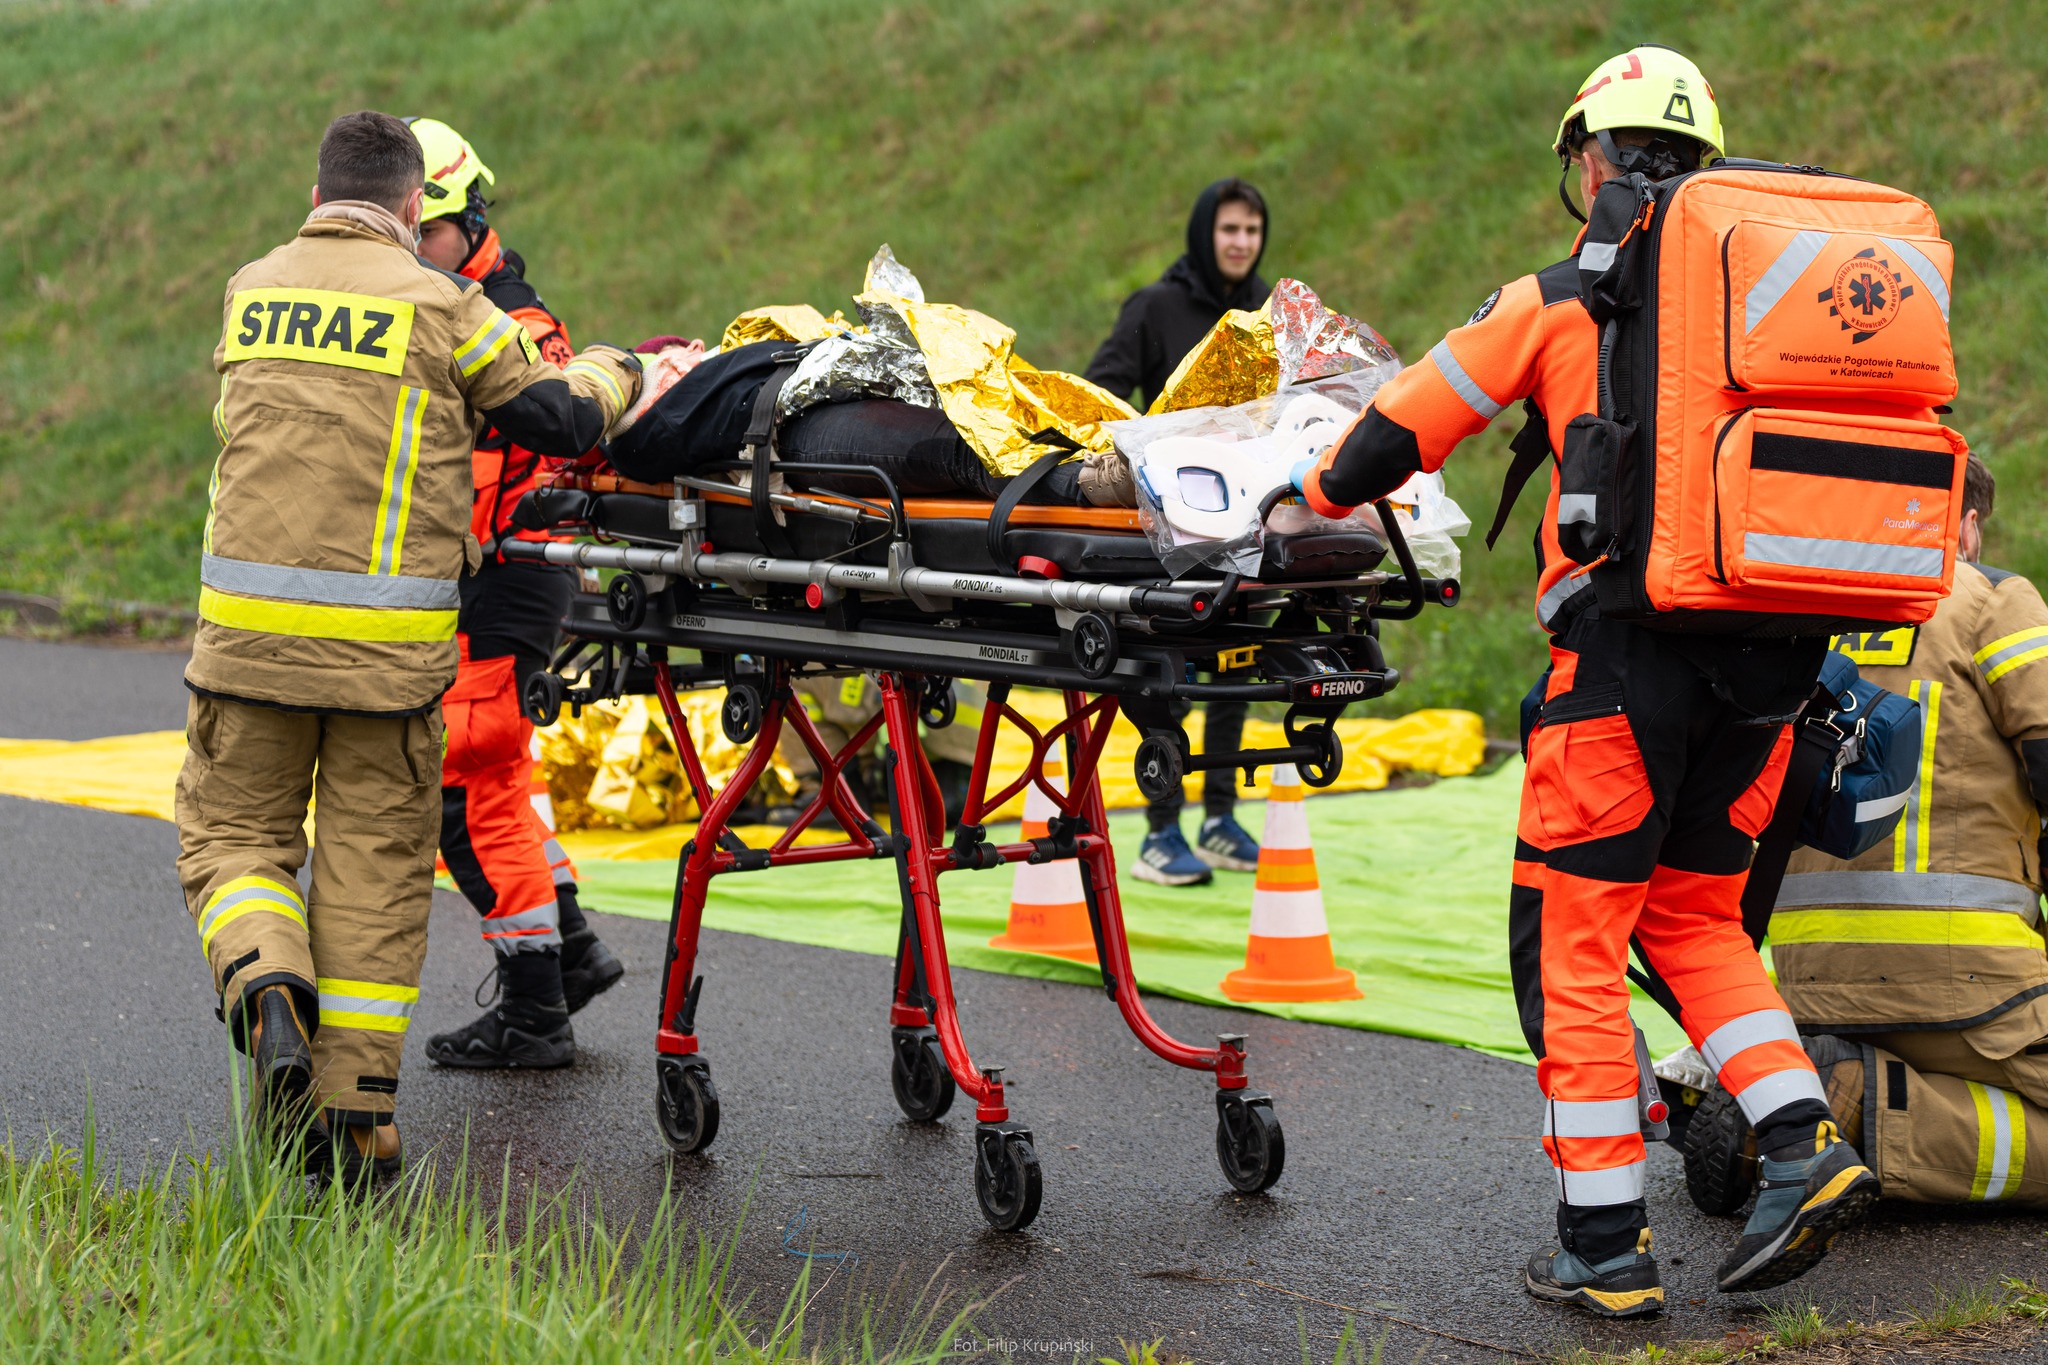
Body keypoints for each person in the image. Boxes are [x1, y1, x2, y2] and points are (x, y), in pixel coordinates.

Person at [1294, 47, 1876, 1316]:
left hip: (1618, 679)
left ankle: (1602, 1246)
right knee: (1696, 921)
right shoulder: (1784, 328)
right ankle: (1799, 1141)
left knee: (1580, 942)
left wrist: (1311, 500)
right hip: (1774, 679)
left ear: (1594, 160)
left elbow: (1393, 433)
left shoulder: (1561, 301)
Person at [176, 111, 642, 1185]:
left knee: (235, 841)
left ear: (313, 198)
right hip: (389, 662)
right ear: (405, 208)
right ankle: (357, 1123)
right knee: (375, 879)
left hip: (246, 648)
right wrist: (623, 370)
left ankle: (261, 980)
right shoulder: (447, 307)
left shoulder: (253, 287)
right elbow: (561, 417)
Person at [1687, 454, 2048, 1207]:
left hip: (1806, 979)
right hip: (1970, 979)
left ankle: (1795, 1102)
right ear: (1968, 527)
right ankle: (1864, 1104)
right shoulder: (1991, 603)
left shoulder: (1798, 628)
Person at [398, 118, 626, 1072]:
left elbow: (514, 454)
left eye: (430, 233)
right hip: (509, 575)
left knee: (464, 795)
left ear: (473, 221)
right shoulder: (467, 305)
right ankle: (572, 952)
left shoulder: (503, 326)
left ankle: (535, 1013)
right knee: (500, 784)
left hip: (505, 577)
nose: (413, 251)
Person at [1085, 178, 1271, 885]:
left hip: (1250, 517)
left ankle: (1219, 816)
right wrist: (1153, 450)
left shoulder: (1262, 313)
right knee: (1169, 675)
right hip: (1172, 527)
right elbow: (1102, 392)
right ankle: (1160, 831)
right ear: (1205, 233)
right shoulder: (1157, 307)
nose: (1241, 243)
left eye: (1252, 231)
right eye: (1230, 229)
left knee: (1240, 662)